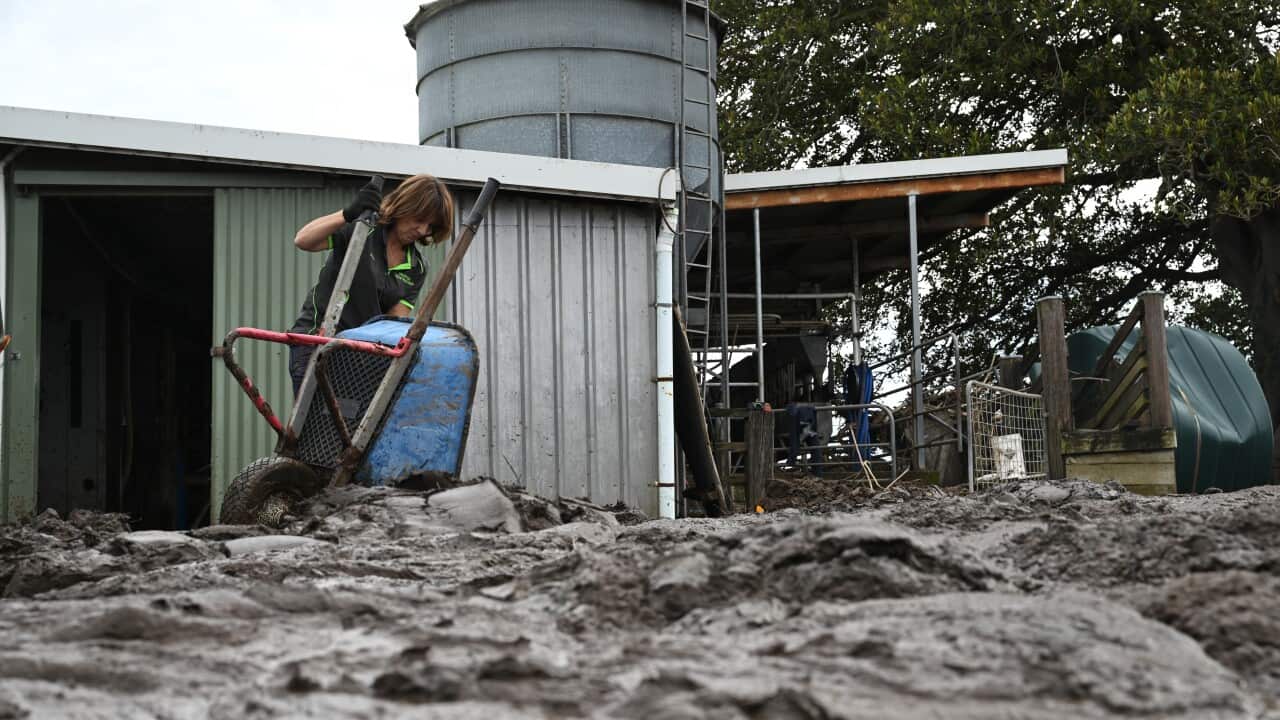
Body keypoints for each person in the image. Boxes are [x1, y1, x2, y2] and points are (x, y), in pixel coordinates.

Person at [287, 174, 455, 395]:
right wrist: (348, 213)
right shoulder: (362, 229)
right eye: (419, 219)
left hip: (360, 355)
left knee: (350, 426)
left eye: (431, 226)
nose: (423, 230)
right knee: (315, 422)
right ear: (404, 206)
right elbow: (303, 240)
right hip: (316, 342)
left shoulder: (416, 267)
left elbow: (393, 322)